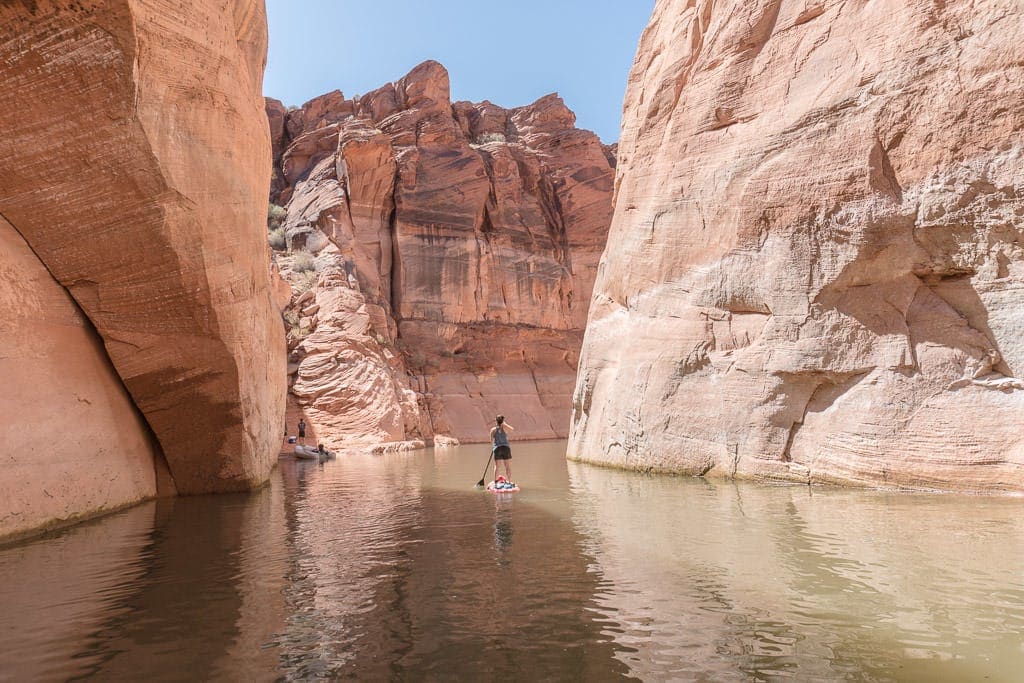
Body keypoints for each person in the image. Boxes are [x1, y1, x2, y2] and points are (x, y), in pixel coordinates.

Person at [490, 415, 514, 487]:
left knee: (497, 466)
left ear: (496, 421)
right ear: (502, 421)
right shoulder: (505, 428)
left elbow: (491, 441)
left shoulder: (493, 430)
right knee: (507, 466)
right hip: (506, 448)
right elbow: (512, 429)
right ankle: (509, 481)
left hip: (497, 448)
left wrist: (493, 447)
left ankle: (496, 482)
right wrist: (505, 424)